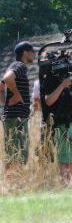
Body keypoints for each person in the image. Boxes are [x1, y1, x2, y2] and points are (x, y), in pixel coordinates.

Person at [42, 71, 72, 184]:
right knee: (65, 160)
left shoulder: (69, 78)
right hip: (63, 125)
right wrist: (62, 85)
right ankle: (65, 187)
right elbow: (48, 101)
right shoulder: (50, 79)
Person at [3, 42, 36, 171]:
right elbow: (7, 79)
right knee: (19, 154)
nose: (34, 54)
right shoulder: (20, 65)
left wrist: (5, 101)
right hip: (16, 117)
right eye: (32, 51)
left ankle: (11, 185)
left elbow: (1, 85)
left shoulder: (15, 66)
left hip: (13, 116)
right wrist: (16, 95)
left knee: (14, 153)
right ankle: (15, 185)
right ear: (25, 53)